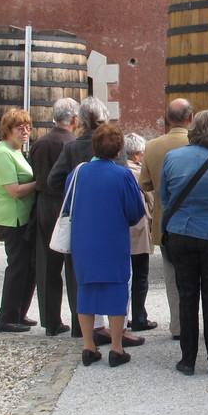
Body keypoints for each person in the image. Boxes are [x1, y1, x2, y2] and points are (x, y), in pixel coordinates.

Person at [160, 109, 208, 376]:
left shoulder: (172, 158)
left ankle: (187, 359)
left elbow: (165, 198)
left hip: (180, 232)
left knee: (186, 295)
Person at [70, 123, 145, 367]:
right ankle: (116, 347)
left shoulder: (78, 173)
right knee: (115, 288)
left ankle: (88, 346)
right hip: (112, 239)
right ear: (118, 150)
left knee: (86, 288)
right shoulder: (122, 175)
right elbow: (135, 212)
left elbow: (68, 202)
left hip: (83, 240)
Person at [47, 96, 110, 338]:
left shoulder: (72, 147)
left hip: (81, 218)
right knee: (112, 274)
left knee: (82, 275)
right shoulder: (113, 143)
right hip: (107, 218)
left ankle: (87, 329)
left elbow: (53, 181)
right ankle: (114, 328)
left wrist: (76, 192)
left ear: (80, 119)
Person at [139, 99, 195, 340]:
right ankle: (203, 322)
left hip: (166, 222)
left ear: (166, 119)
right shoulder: (198, 145)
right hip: (195, 221)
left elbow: (144, 184)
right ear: (190, 117)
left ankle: (179, 327)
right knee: (200, 277)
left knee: (173, 279)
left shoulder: (152, 146)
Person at [29, 97, 78, 336]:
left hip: (44, 203)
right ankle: (80, 321)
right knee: (73, 264)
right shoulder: (73, 144)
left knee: (47, 263)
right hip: (66, 203)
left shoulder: (39, 143)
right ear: (74, 119)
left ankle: (50, 321)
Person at [0, 108, 38, 333]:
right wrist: (40, 183)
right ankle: (7, 317)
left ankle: (20, 312)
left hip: (22, 217)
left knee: (28, 268)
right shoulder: (3, 153)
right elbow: (14, 190)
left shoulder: (17, 151)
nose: (25, 132)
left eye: (28, 128)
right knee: (17, 268)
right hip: (12, 218)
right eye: (20, 128)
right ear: (8, 130)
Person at [123, 132, 156, 333]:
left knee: (124, 276)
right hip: (139, 228)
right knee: (140, 275)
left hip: (121, 229)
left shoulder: (119, 170)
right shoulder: (139, 172)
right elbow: (151, 200)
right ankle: (139, 317)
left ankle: (123, 315)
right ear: (136, 154)